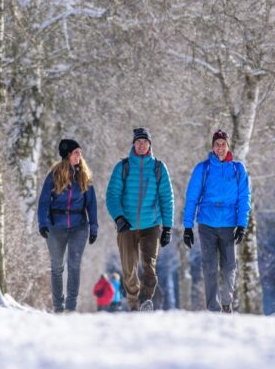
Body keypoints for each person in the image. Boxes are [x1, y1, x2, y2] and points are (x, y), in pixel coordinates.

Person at [182, 129, 251, 313]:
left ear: (228, 146)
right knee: (210, 267)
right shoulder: (202, 169)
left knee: (229, 267)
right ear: (212, 147)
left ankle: (227, 303)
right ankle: (213, 307)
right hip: (207, 225)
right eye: (217, 144)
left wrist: (242, 225)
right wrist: (187, 227)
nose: (220, 148)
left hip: (229, 225)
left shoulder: (238, 169)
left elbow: (244, 198)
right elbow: (191, 198)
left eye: (223, 144)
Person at [105, 128, 174, 311]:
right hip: (126, 226)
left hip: (151, 225)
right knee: (129, 271)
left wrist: (167, 227)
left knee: (149, 269)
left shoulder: (159, 168)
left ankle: (145, 301)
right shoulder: (123, 167)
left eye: (145, 142)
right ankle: (134, 305)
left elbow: (166, 198)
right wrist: (119, 217)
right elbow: (112, 195)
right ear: (134, 144)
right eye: (138, 142)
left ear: (150, 144)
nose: (142, 145)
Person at [37, 139, 98, 313]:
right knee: (57, 267)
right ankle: (58, 307)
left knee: (74, 265)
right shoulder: (54, 175)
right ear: (67, 155)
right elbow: (43, 202)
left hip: (79, 226)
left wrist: (93, 228)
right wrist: (43, 223)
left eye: (80, 151)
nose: (79, 155)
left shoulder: (84, 176)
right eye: (76, 152)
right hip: (56, 227)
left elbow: (91, 204)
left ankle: (70, 307)